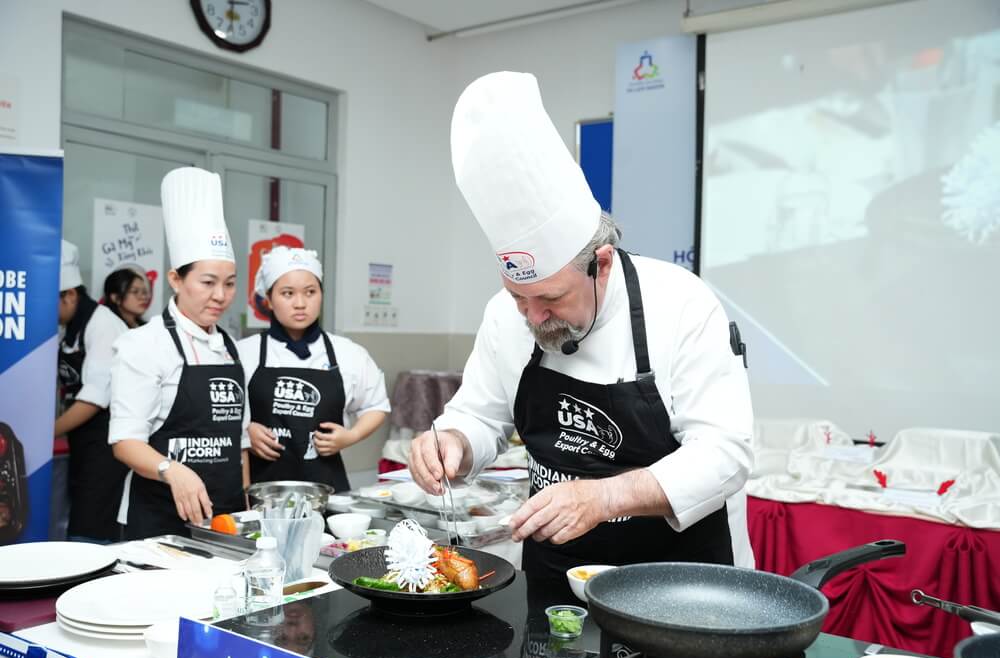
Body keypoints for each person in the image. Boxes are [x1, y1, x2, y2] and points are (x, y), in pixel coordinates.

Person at [409, 72, 755, 597]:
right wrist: (452, 442)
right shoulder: (507, 316)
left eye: (550, 299)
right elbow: (480, 415)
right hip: (555, 572)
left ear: (603, 264)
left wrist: (605, 498)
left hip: (679, 582)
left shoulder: (680, 305)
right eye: (518, 297)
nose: (533, 316)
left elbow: (724, 454)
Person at [109, 167, 249, 539]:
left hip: (226, 517)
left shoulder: (230, 348)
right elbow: (125, 443)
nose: (220, 295)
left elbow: (240, 443)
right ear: (176, 279)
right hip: (159, 523)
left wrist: (247, 510)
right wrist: (173, 470)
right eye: (207, 282)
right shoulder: (144, 345)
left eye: (230, 283)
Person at [238, 245, 390, 490]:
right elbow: (218, 414)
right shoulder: (244, 352)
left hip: (326, 489)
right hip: (262, 492)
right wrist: (245, 431)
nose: (300, 303)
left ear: (321, 294)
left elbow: (376, 405)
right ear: (268, 299)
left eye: (310, 292)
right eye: (287, 293)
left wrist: (350, 436)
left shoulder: (348, 353)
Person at [55, 240, 129, 543]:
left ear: (70, 294)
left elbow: (95, 397)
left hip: (106, 444)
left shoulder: (103, 325)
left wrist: (50, 431)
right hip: (84, 442)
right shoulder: (69, 326)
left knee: (92, 529)